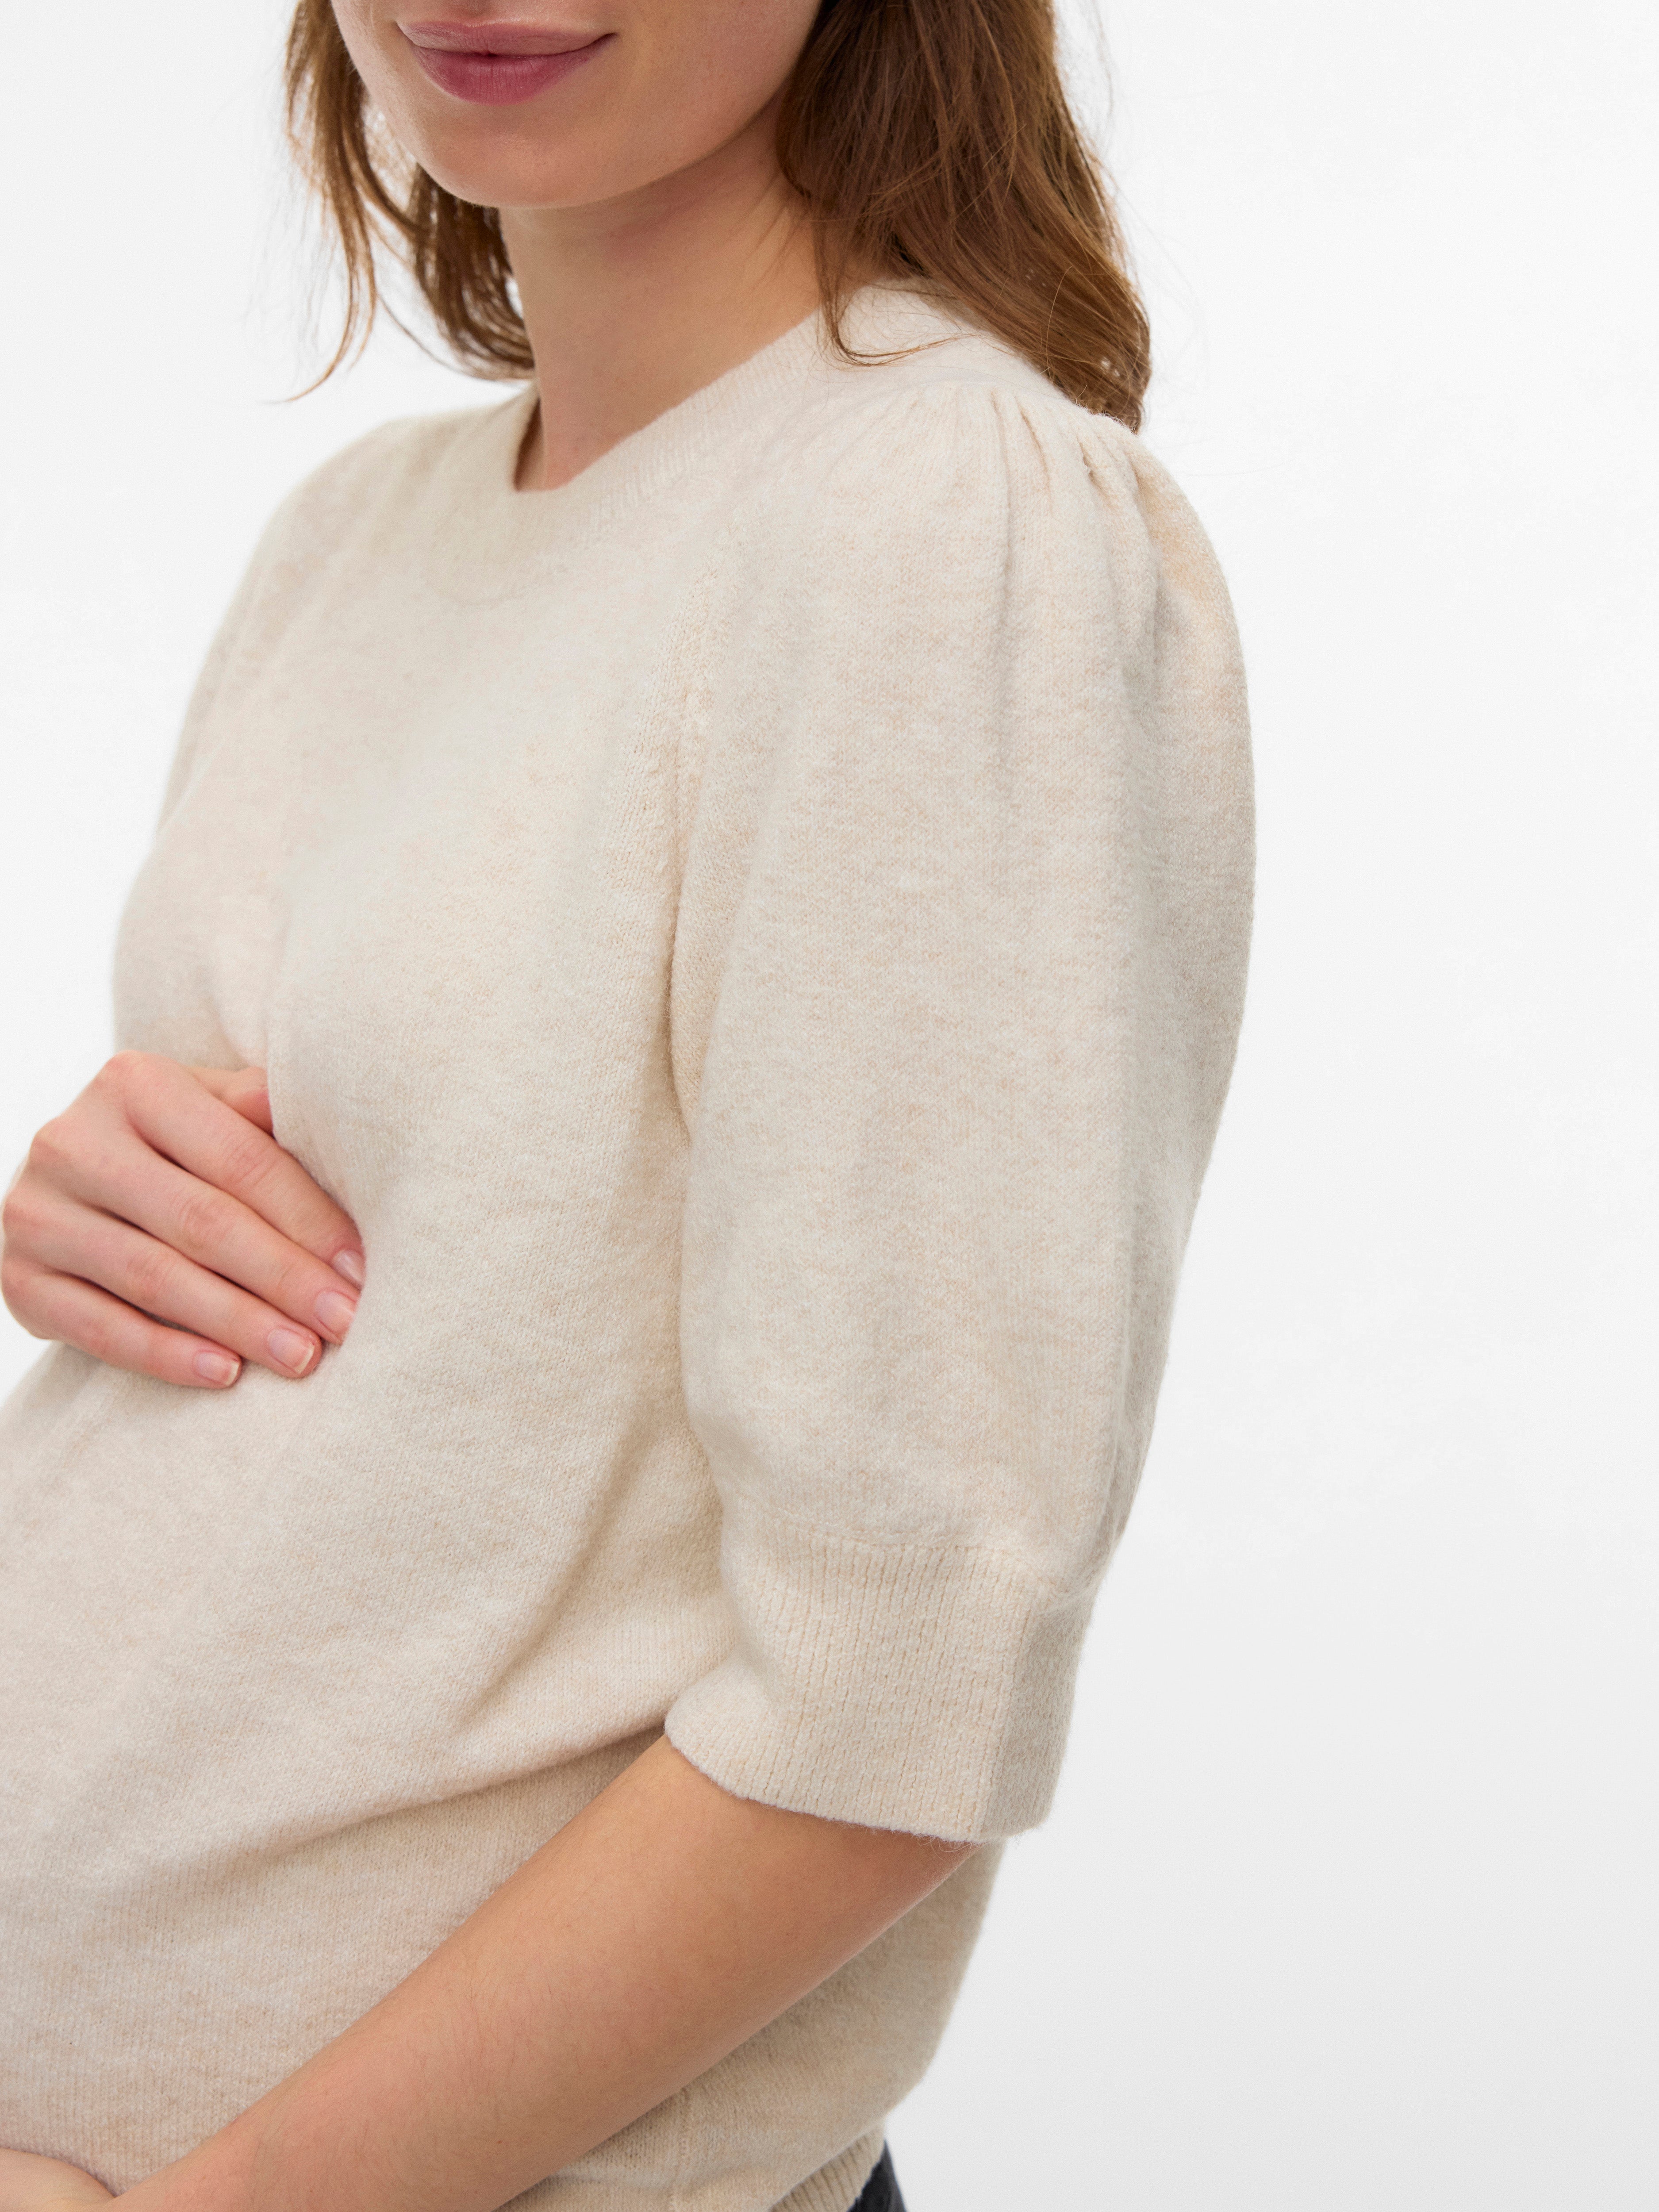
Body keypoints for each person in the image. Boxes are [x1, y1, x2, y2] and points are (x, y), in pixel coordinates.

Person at [0, 3, 1253, 2208]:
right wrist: (88, 1218)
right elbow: (454, 1319)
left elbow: (891, 1692)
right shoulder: (356, 533)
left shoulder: (931, 519)